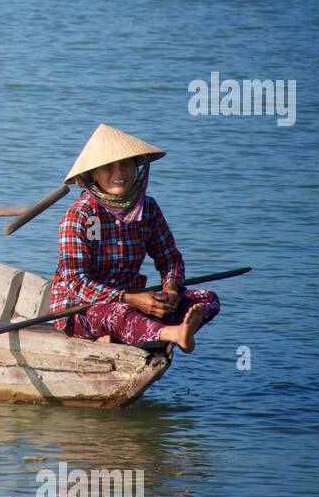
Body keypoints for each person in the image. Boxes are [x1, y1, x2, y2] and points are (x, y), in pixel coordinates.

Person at [48, 124, 220, 353]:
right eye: (108, 166)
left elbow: (170, 259)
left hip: (133, 304)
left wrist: (170, 290)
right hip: (81, 310)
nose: (118, 173)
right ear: (93, 175)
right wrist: (128, 298)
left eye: (126, 164)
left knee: (206, 298)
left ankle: (135, 333)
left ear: (136, 168)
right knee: (118, 313)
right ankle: (172, 333)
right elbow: (76, 282)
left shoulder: (147, 209)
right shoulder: (80, 215)